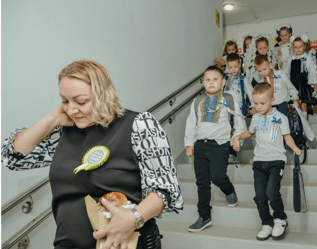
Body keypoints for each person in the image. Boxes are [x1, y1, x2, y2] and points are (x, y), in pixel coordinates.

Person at [1, 60, 183, 249]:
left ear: (103, 95)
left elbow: (166, 190)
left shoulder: (138, 125)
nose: (71, 110)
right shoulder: (64, 132)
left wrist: (133, 218)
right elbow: (12, 158)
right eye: (65, 101)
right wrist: (52, 118)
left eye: (81, 101)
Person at [231, 82, 301, 241]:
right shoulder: (255, 118)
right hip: (259, 162)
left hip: (276, 160)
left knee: (271, 192)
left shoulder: (281, 117)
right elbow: (250, 132)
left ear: (272, 100)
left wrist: (294, 147)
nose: (259, 106)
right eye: (256, 103)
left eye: (262, 103)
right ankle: (266, 223)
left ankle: (280, 219)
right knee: (260, 196)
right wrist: (238, 136)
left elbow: (287, 137)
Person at [184, 66, 246, 233]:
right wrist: (189, 143)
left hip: (220, 144)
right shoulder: (197, 101)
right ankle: (204, 216)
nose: (211, 82)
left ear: (223, 82)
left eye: (215, 79)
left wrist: (237, 137)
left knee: (218, 176)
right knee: (202, 182)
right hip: (200, 145)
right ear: (203, 82)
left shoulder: (229, 98)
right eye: (208, 79)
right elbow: (191, 123)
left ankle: (229, 190)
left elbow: (239, 121)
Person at [289, 35, 317, 119]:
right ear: (293, 48)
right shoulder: (291, 59)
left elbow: (312, 72)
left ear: (304, 47)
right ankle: (298, 123)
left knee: (303, 105)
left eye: (300, 46)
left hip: (304, 85)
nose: (298, 49)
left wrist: (315, 85)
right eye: (296, 47)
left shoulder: (307, 58)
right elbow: (287, 72)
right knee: (295, 105)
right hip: (294, 85)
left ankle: (305, 124)